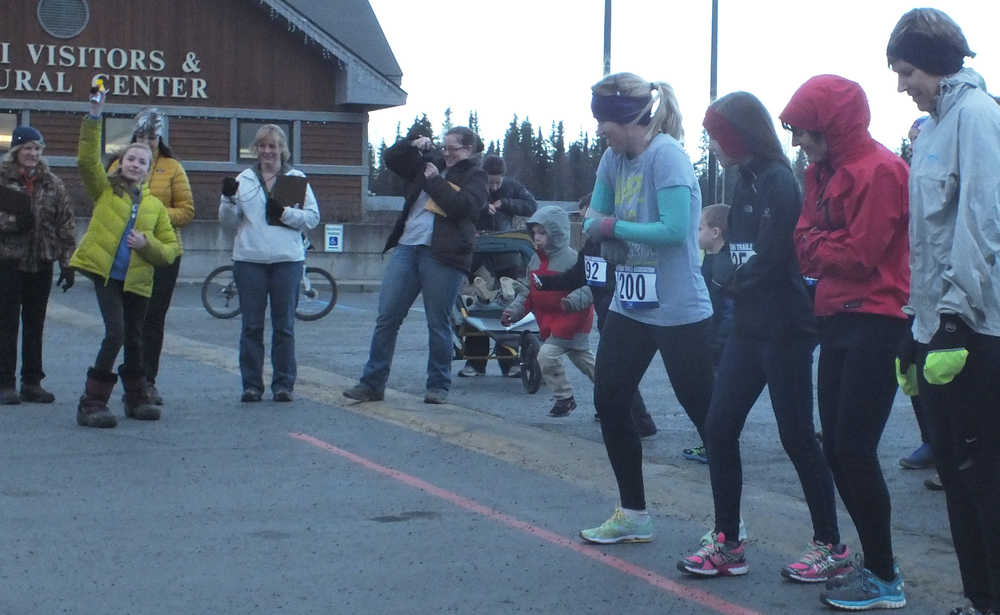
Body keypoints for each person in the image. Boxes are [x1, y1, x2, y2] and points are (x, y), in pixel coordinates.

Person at [678, 91, 844, 582]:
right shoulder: (739, 179)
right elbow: (740, 252)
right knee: (719, 427)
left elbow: (772, 259)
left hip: (786, 330)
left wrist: (724, 283)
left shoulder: (778, 183)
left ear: (738, 134)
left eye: (716, 135)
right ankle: (728, 542)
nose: (712, 144)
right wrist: (728, 282)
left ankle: (830, 544)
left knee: (797, 438)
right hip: (748, 329)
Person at [781, 75, 910, 609]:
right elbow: (803, 242)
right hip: (835, 319)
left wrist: (819, 245)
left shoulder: (882, 171)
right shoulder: (820, 174)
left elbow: (858, 255)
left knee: (853, 450)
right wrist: (822, 245)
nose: (800, 145)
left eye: (806, 132)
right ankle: (877, 568)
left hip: (878, 322)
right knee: (836, 449)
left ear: (831, 126)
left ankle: (884, 576)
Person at [887, 8, 1000, 615]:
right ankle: (979, 601)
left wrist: (953, 317)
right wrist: (917, 321)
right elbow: (924, 240)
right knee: (955, 476)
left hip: (978, 331)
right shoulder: (928, 132)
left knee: (987, 478)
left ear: (934, 63)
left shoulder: (979, 119)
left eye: (907, 71)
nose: (902, 85)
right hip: (937, 328)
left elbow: (982, 221)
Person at [577, 72, 714, 545]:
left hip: (678, 309)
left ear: (629, 118)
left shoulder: (668, 156)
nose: (599, 132)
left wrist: (613, 227)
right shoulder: (612, 160)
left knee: (706, 414)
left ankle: (728, 527)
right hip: (631, 304)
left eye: (605, 123)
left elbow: (675, 230)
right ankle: (633, 513)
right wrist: (606, 226)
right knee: (610, 399)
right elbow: (591, 219)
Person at [343, 126, 487, 405]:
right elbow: (392, 160)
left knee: (438, 322)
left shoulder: (476, 176)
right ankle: (372, 383)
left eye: (452, 148)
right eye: (444, 147)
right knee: (387, 317)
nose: (446, 153)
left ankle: (438, 385)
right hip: (408, 247)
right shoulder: (429, 162)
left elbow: (464, 208)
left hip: (444, 254)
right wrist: (411, 144)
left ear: (468, 150)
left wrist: (435, 181)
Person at [71, 89, 179, 428]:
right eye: (130, 159)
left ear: (148, 170)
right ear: (120, 163)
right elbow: (87, 160)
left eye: (142, 161)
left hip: (139, 280)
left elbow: (170, 250)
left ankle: (135, 398)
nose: (134, 164)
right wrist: (94, 115)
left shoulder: (154, 207)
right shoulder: (105, 189)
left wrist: (147, 244)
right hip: (108, 276)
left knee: (135, 337)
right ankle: (91, 402)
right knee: (115, 333)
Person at [531, 192, 656, 436]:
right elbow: (579, 276)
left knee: (616, 371)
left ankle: (637, 421)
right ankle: (639, 421)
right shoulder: (590, 245)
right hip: (605, 315)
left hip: (622, 315)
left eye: (587, 212)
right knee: (617, 372)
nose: (584, 218)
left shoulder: (619, 241)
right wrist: (546, 284)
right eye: (582, 214)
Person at [219, 124, 319, 403]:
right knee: (251, 326)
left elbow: (312, 219)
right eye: (262, 146)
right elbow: (228, 222)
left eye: (273, 146)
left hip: (286, 261)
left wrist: (285, 213)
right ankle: (251, 384)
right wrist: (228, 198)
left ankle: (283, 384)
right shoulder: (244, 179)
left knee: (284, 325)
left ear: (282, 149)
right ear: (256, 149)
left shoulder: (296, 179)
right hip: (249, 260)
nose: (267, 151)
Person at [108, 109, 194, 406]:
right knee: (129, 322)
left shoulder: (172, 167)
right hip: (127, 253)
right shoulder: (121, 164)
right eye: (142, 136)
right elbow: (107, 202)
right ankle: (131, 381)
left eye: (153, 137)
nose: (147, 142)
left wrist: (153, 215)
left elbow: (186, 211)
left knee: (153, 320)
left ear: (161, 138)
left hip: (162, 253)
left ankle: (148, 380)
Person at [0, 126, 76, 405]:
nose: (32, 153)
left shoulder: (52, 183)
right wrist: (11, 224)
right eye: (27, 148)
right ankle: (4, 383)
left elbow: (65, 223)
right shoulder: (2, 179)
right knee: (6, 324)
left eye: (36, 148)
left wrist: (68, 263)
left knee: (35, 323)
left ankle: (32, 382)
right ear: (16, 151)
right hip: (8, 260)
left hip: (41, 261)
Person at [501, 205, 595, 418]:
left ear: (557, 233)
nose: (537, 237)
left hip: (572, 320)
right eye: (534, 232)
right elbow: (527, 292)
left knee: (547, 355)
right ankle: (612, 393)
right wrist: (514, 312)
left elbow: (589, 288)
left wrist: (572, 301)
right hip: (551, 321)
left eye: (543, 232)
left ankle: (565, 399)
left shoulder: (572, 259)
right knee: (586, 362)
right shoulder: (535, 260)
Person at [459, 154, 537, 378]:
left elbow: (531, 205)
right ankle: (475, 362)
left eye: (497, 183)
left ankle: (509, 360)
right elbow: (461, 207)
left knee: (508, 304)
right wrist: (482, 208)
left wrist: (506, 203)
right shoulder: (472, 186)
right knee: (478, 304)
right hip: (479, 254)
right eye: (489, 182)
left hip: (508, 254)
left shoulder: (512, 187)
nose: (493, 187)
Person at [681, 203, 735, 464]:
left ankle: (715, 446)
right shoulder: (712, 260)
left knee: (714, 399)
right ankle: (713, 443)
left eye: (699, 228)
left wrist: (716, 344)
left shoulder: (722, 266)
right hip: (712, 341)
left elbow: (727, 311)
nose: (695, 232)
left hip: (719, 345)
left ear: (715, 232)